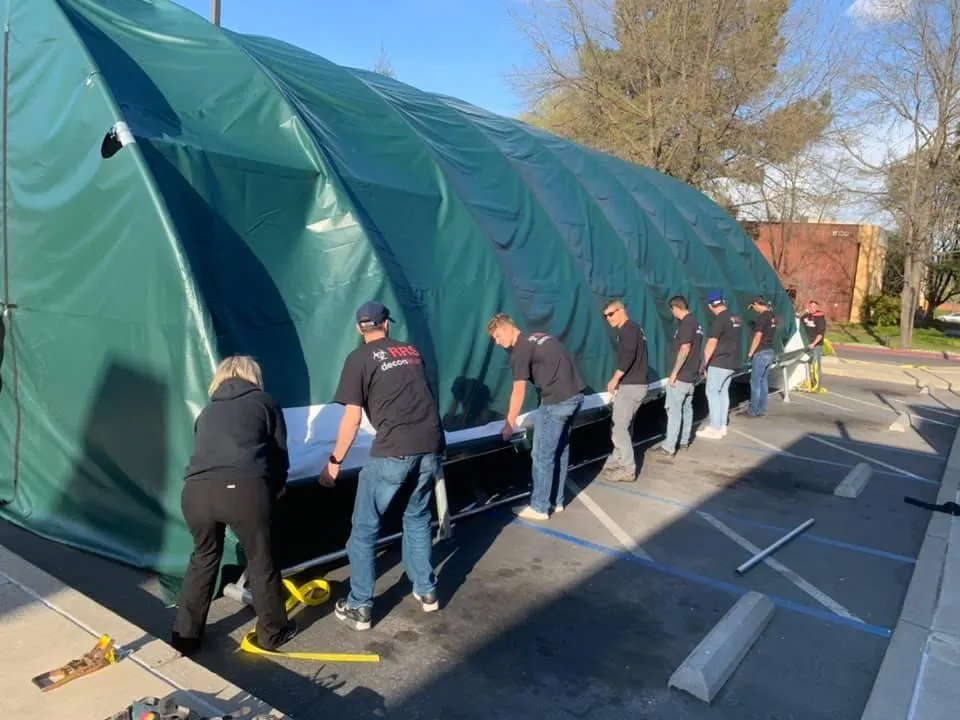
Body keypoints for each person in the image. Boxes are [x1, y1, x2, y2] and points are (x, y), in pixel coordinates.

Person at [320, 301, 446, 631]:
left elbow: (352, 418)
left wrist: (334, 462)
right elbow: (426, 396)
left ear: (359, 329)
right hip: (430, 445)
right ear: (386, 324)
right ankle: (427, 591)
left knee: (364, 529)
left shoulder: (358, 359)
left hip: (394, 449)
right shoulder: (412, 352)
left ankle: (360, 606)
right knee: (417, 516)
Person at [171, 355, 295, 656]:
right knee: (260, 560)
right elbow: (278, 453)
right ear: (253, 375)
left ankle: (185, 636)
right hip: (244, 489)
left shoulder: (207, 411)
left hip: (196, 492)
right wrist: (276, 490)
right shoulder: (264, 402)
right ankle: (272, 633)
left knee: (203, 558)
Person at [487, 313, 585, 520]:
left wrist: (509, 424)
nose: (497, 342)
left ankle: (540, 506)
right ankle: (557, 501)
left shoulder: (520, 351)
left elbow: (519, 391)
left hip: (556, 402)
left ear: (506, 329)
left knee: (542, 455)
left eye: (497, 336)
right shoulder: (540, 336)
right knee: (560, 450)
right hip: (576, 396)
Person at [599, 298, 649, 481]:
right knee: (623, 425)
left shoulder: (628, 330)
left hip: (632, 385)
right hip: (635, 384)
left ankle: (628, 469)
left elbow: (628, 357)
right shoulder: (634, 329)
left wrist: (614, 380)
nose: (608, 318)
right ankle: (617, 459)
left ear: (621, 310)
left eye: (610, 314)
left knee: (619, 428)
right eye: (605, 316)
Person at [660, 296, 702, 457]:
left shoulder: (686, 324)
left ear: (675, 308)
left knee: (674, 410)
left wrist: (674, 373)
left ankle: (669, 446)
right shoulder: (696, 323)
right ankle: (684, 441)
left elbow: (685, 348)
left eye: (672, 311)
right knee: (687, 409)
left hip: (682, 376)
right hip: (691, 375)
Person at [697, 292, 743, 439]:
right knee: (723, 393)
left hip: (719, 362)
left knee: (712, 393)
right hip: (733, 361)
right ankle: (722, 425)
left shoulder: (719, 320)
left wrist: (703, 363)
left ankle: (715, 427)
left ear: (711, 306)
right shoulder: (735, 318)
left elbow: (712, 342)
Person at [746, 296, 778, 417]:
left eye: (753, 307)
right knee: (763, 381)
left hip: (761, 352)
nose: (754, 310)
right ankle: (762, 408)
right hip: (770, 351)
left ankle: (753, 410)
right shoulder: (772, 316)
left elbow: (758, 336)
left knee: (755, 382)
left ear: (756, 304)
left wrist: (750, 352)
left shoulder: (762, 317)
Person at [800, 300, 827, 392]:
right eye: (810, 306)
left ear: (817, 308)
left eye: (814, 307)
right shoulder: (805, 316)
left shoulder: (820, 319)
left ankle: (816, 386)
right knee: (806, 364)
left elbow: (820, 334)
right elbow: (797, 318)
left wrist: (814, 344)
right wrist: (805, 311)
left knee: (815, 365)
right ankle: (808, 383)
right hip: (806, 345)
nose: (812, 308)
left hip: (816, 345)